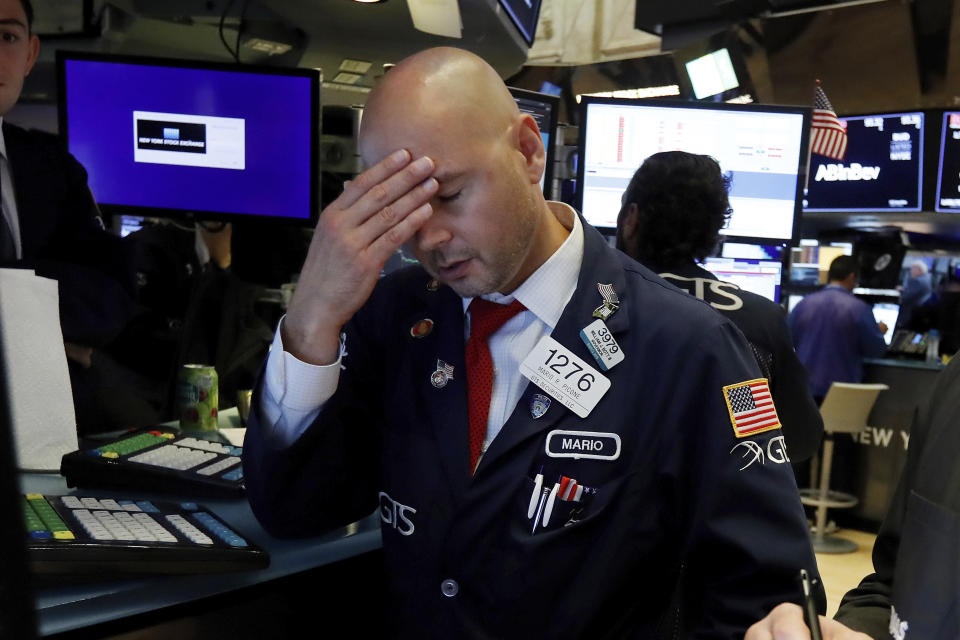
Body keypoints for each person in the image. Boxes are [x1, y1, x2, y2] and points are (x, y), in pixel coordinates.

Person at [242, 47, 823, 638]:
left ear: (527, 151)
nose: (430, 238)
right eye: (402, 210)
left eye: (448, 195)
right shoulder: (394, 317)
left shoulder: (691, 349)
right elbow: (295, 508)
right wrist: (311, 321)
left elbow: (768, 596)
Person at [616, 151, 824, 462]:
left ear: (631, 218)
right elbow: (797, 440)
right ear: (714, 233)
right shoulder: (759, 319)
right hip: (725, 504)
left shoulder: (595, 305)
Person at [746, 352, 960, 640]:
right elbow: (892, 587)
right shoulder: (953, 386)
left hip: (813, 403)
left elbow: (801, 436)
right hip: (833, 403)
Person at [0, 0, 139, 431]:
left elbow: (111, 293)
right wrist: (42, 332)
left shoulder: (52, 167)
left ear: (30, 55)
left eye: (7, 37)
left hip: (44, 428)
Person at [788, 255, 888, 401]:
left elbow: (787, 341)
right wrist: (879, 332)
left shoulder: (803, 304)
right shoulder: (859, 309)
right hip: (842, 392)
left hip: (804, 390)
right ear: (852, 277)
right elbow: (875, 351)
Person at [895, 259, 932, 330]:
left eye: (913, 269)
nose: (911, 271)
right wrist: (903, 290)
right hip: (919, 310)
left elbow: (906, 298)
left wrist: (898, 294)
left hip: (909, 312)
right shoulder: (926, 279)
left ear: (919, 270)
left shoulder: (917, 281)